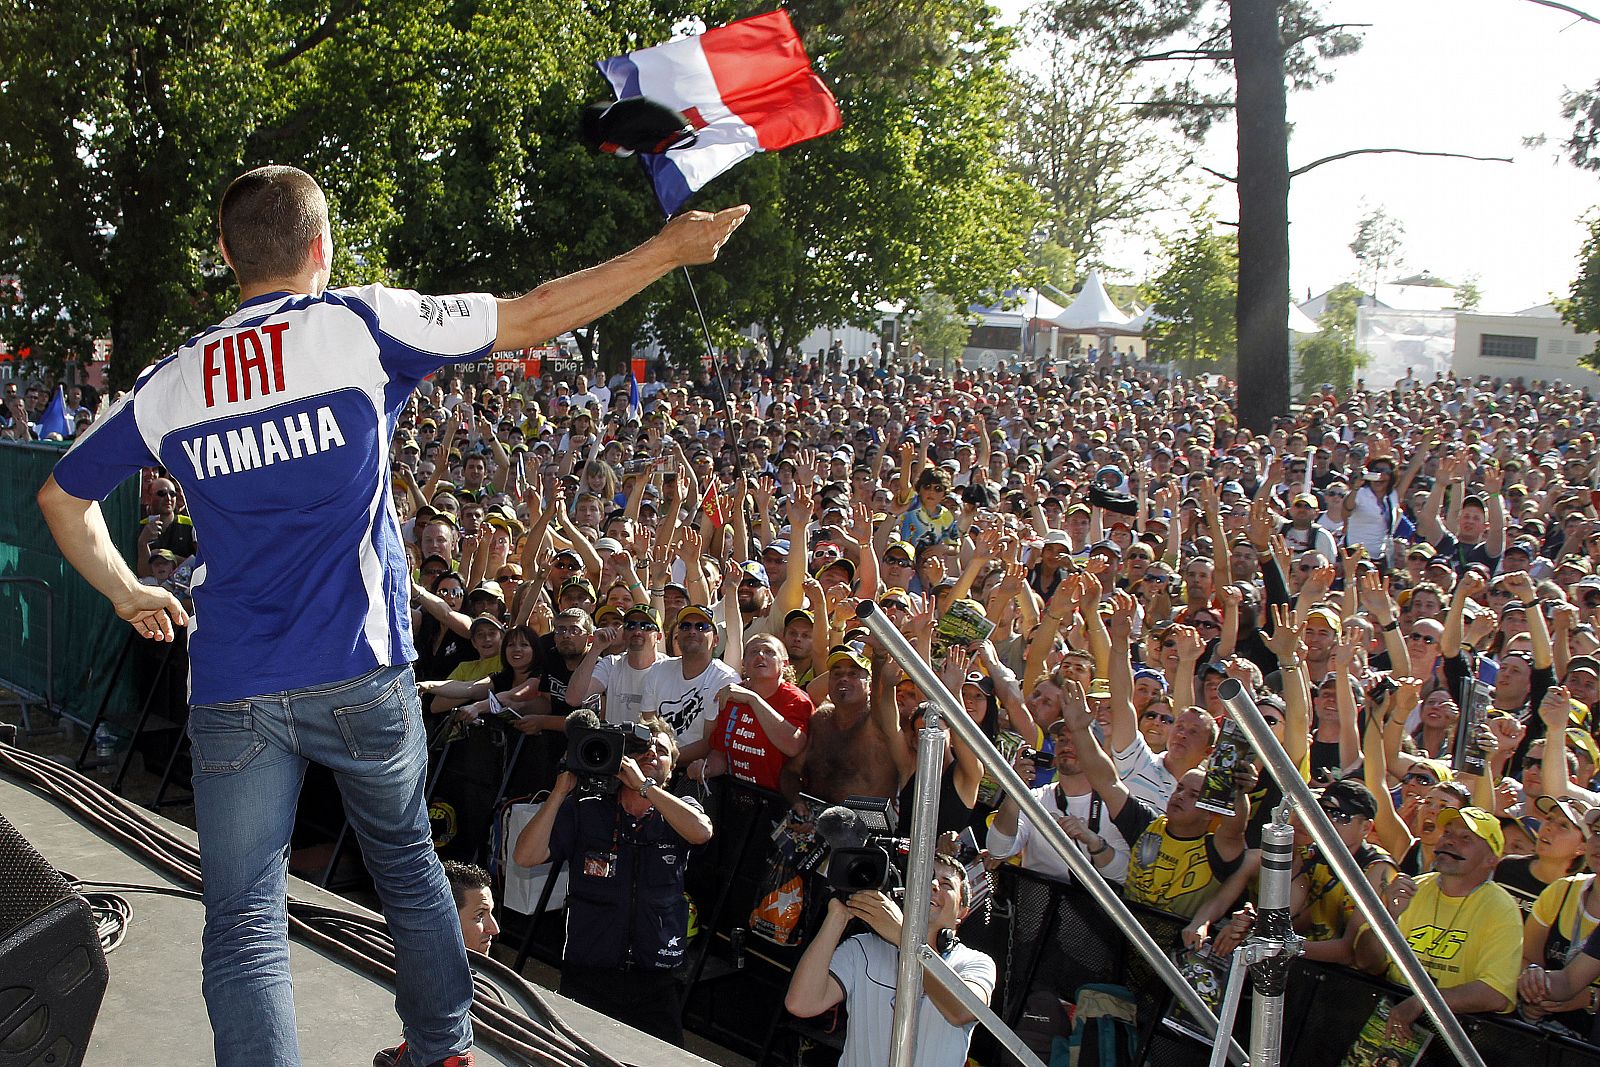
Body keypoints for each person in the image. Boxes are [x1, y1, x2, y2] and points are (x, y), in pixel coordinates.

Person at [35, 163, 746, 1067]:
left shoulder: (172, 380)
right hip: (361, 670)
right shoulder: (359, 323)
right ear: (321, 249)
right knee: (410, 871)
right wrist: (669, 250)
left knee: (245, 916)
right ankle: (444, 1049)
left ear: (225, 253)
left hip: (234, 682)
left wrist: (126, 591)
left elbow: (62, 496)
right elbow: (533, 314)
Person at [511, 714, 713, 1046]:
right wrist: (561, 791)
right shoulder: (587, 808)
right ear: (622, 759)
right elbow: (525, 856)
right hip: (589, 967)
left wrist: (644, 788)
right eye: (641, 749)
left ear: (672, 768)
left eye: (660, 751)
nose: (650, 755)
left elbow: (701, 832)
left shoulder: (681, 809)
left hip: (656, 976)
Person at [784, 852, 995, 1067]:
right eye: (925, 877)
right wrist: (837, 917)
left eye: (946, 884)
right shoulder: (864, 948)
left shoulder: (974, 962)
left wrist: (905, 938)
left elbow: (962, 1011)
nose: (932, 885)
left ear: (963, 911)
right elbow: (801, 1003)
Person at [1353, 807, 1523, 1040]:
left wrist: (1423, 1003)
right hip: (1388, 1027)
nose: (1450, 842)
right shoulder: (1412, 888)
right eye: (1448, 834)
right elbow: (1365, 962)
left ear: (1491, 859)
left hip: (1454, 1041)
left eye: (1466, 838)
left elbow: (1495, 993)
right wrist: (1388, 918)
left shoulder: (1502, 909)